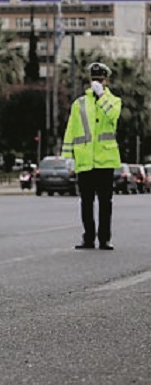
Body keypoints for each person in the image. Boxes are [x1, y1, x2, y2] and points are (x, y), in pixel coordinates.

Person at [61, 62, 121, 250]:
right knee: (86, 202)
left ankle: (104, 239)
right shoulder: (79, 104)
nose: (97, 82)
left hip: (105, 161)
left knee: (105, 203)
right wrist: (68, 157)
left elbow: (113, 115)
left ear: (107, 81)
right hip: (85, 161)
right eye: (94, 79)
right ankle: (88, 238)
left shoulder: (114, 101)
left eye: (100, 79)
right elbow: (71, 129)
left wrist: (102, 96)